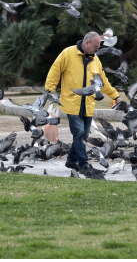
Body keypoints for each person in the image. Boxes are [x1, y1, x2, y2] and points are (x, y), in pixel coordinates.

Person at [45, 31, 121, 171]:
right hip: (71, 103)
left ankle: (70, 161)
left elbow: (103, 82)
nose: (98, 50)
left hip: (88, 104)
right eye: (96, 47)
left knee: (83, 136)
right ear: (87, 43)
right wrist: (49, 91)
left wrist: (115, 96)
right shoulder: (67, 53)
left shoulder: (95, 60)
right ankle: (83, 164)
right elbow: (54, 72)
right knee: (79, 134)